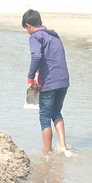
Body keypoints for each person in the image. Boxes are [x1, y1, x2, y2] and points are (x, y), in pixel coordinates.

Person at [22, 9, 71, 155]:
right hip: (63, 81)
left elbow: (36, 56)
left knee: (44, 116)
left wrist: (30, 78)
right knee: (56, 112)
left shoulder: (35, 37)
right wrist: (39, 74)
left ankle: (47, 152)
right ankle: (63, 146)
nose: (27, 31)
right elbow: (53, 58)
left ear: (29, 25)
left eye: (26, 28)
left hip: (49, 83)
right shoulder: (54, 36)